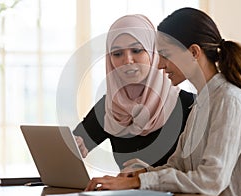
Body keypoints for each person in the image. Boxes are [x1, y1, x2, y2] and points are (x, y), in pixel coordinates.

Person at [84, 8, 241, 196]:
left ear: (194, 52)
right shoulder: (201, 103)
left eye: (165, 54)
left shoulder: (230, 100)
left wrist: (138, 182)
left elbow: (212, 180)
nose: (160, 64)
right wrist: (139, 174)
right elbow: (178, 165)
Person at [73, 14, 194, 170]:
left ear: (153, 53)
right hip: (126, 194)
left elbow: (200, 174)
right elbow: (74, 145)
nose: (127, 60)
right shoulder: (111, 106)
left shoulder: (189, 105)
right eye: (117, 54)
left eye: (137, 50)